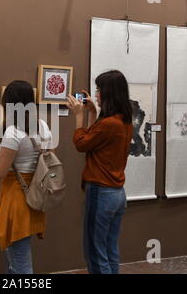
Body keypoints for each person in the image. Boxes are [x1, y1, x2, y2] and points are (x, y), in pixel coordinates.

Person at [0, 80, 52, 274]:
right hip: (35, 196)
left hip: (16, 198)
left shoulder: (13, 132)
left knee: (21, 265)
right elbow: (47, 158)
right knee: (15, 260)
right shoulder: (43, 126)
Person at [66, 70, 133, 274]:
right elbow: (94, 139)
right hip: (117, 193)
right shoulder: (123, 120)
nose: (96, 94)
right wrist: (93, 113)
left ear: (108, 92)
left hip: (101, 192)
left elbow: (81, 143)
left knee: (95, 253)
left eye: (98, 89)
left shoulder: (109, 124)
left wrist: (78, 116)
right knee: (109, 249)